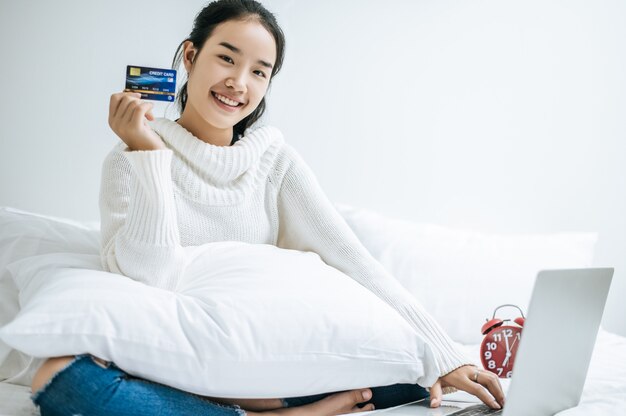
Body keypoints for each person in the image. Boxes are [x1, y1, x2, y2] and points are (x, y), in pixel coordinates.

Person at [29, 1, 505, 415]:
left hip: (268, 359)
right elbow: (149, 276)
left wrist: (444, 353)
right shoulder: (128, 158)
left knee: (409, 379)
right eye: (226, 59)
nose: (239, 82)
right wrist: (149, 155)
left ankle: (253, 404)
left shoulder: (273, 160)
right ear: (191, 57)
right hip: (174, 360)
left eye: (259, 71)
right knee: (59, 377)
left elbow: (354, 261)